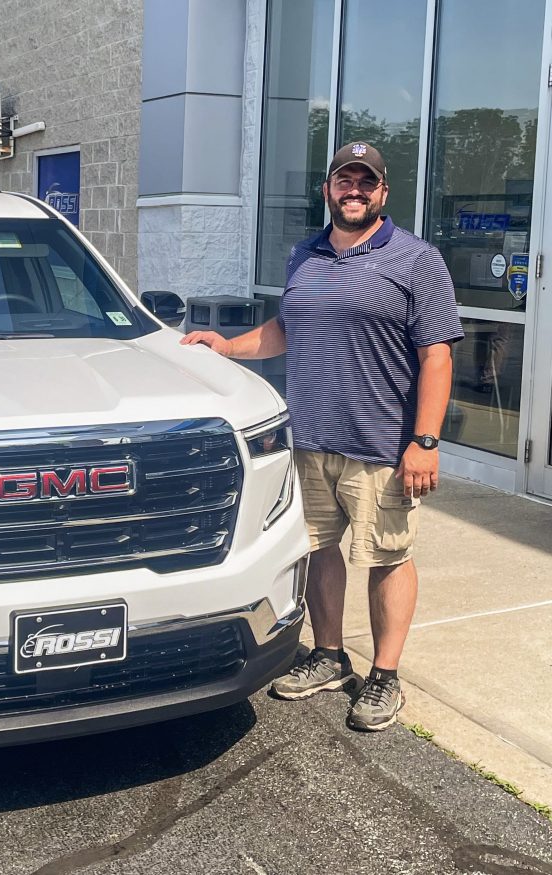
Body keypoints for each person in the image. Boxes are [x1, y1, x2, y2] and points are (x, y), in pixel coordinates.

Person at [181, 142, 463, 731]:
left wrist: (426, 441)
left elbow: (436, 354)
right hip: (308, 439)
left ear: (383, 193)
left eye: (366, 182)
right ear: (328, 189)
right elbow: (287, 327)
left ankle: (385, 677)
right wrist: (227, 347)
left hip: (382, 445)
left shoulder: (416, 258)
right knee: (317, 550)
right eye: (344, 180)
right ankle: (329, 655)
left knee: (387, 557)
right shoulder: (304, 253)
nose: (353, 190)